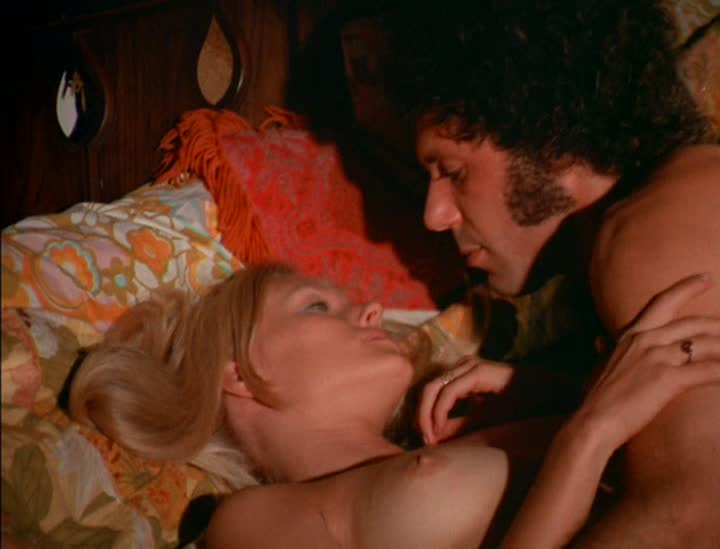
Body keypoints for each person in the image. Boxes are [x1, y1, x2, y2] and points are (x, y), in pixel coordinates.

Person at [69, 263, 720, 548]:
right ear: (239, 373)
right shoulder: (251, 520)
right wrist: (589, 433)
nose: (373, 309)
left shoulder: (469, 438)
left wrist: (548, 392)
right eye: (317, 305)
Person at [381, 0, 720, 546]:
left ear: (551, 135)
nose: (434, 216)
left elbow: (689, 522)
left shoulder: (644, 238)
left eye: (453, 172)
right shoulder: (688, 196)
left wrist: (585, 435)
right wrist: (567, 396)